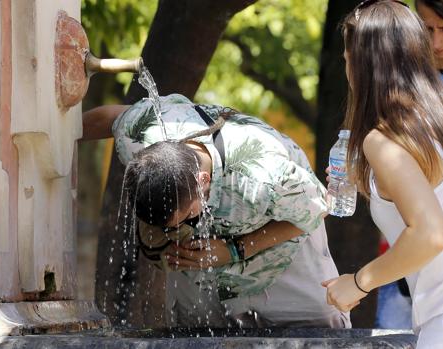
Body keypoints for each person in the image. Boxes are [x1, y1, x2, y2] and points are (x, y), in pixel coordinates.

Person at [83, 94, 350, 328]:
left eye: (186, 217)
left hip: (283, 233)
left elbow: (318, 209)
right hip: (202, 255)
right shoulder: (139, 133)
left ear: (203, 181)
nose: (176, 229)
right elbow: (107, 118)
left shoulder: (267, 176)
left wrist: (236, 249)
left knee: (319, 331)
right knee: (193, 336)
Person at [322, 1, 443, 348]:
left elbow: (431, 234)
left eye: (347, 61)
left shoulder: (385, 139)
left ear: (360, 67)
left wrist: (359, 281)